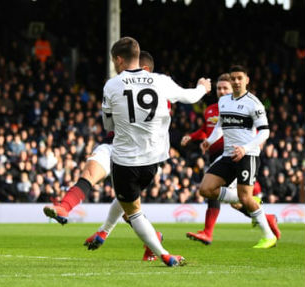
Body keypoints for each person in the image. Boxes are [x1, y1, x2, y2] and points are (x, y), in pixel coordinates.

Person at [63, 37, 211, 267]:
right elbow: (191, 96)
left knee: (132, 211)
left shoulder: (112, 85)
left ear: (119, 60)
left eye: (114, 60)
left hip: (125, 159)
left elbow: (108, 126)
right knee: (127, 198)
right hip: (153, 161)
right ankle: (104, 232)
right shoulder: (161, 81)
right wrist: (203, 86)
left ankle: (163, 253)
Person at [44, 51, 163, 261]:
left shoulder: (159, 95)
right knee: (90, 173)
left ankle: (152, 239)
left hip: (140, 156)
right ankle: (64, 207)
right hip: (114, 144)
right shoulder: (117, 86)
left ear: (144, 71)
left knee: (129, 209)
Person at [182, 74, 280, 245]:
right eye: (219, 88)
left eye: (225, 88)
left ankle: (209, 232)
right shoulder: (216, 107)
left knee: (239, 198)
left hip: (242, 154)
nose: (221, 91)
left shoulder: (251, 103)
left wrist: (248, 147)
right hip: (222, 155)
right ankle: (264, 215)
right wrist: (202, 139)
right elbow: (214, 127)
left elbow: (262, 131)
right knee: (211, 191)